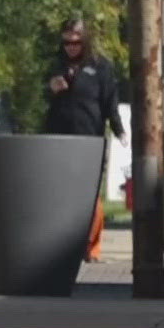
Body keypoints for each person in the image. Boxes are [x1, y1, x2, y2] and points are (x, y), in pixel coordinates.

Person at [43, 19, 125, 262]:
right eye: (66, 42)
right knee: (61, 192)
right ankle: (64, 245)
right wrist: (51, 87)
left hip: (90, 136)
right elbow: (42, 92)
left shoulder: (100, 67)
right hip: (59, 135)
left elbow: (110, 101)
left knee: (89, 193)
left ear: (85, 41)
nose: (70, 47)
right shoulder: (56, 65)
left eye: (76, 42)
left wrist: (118, 128)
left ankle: (91, 247)